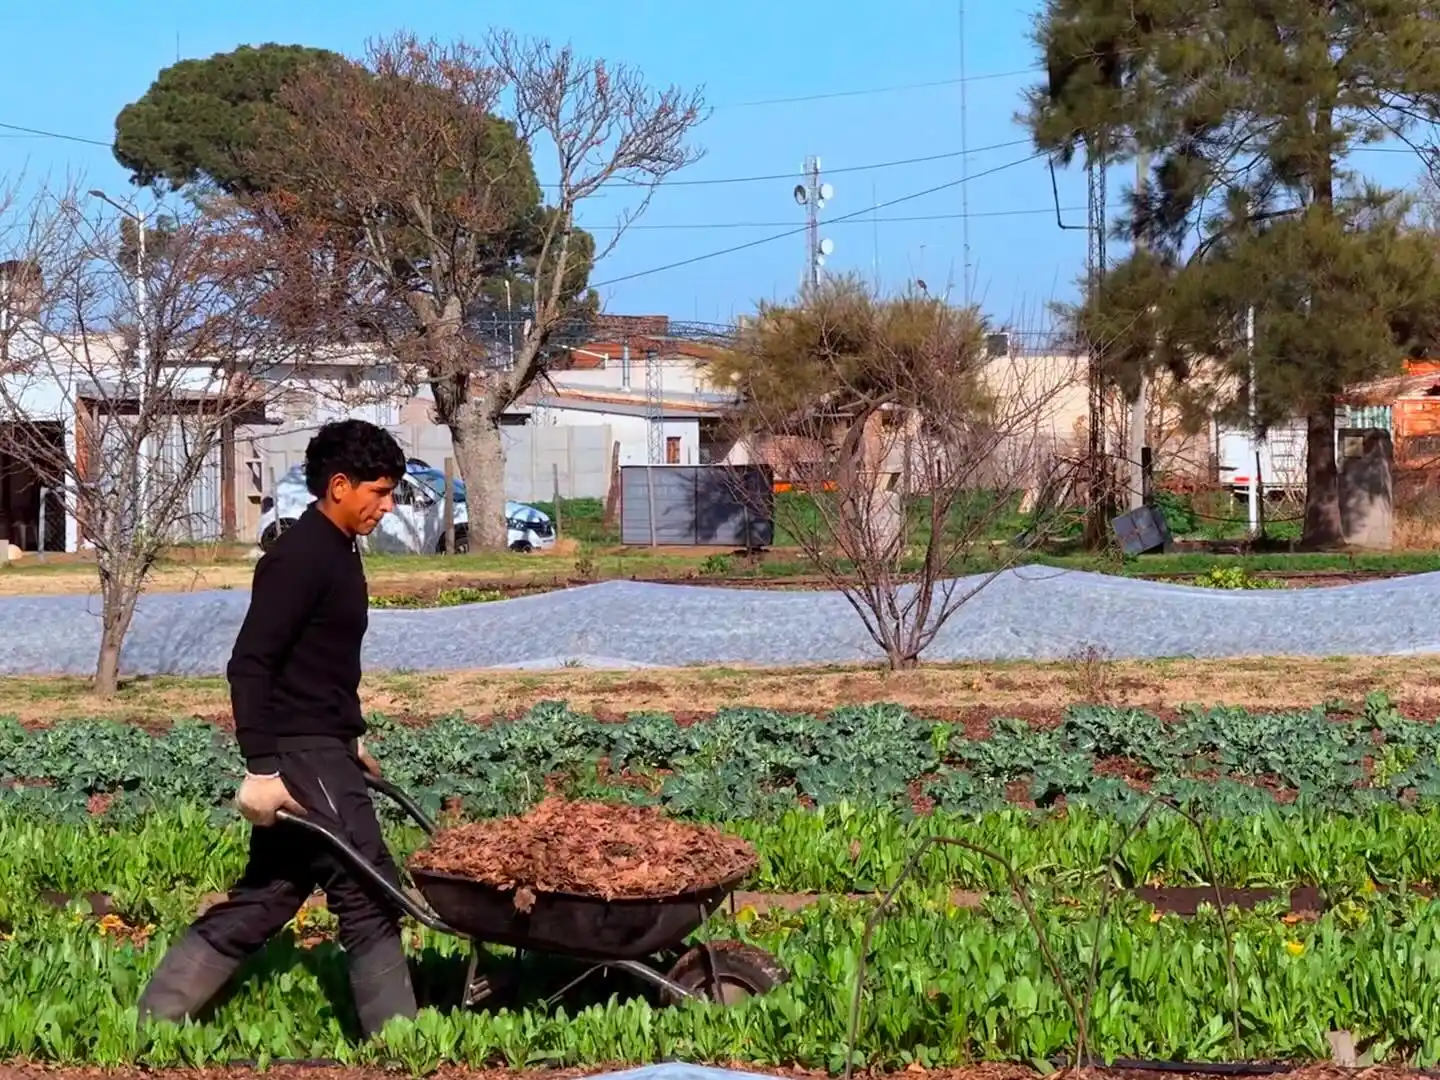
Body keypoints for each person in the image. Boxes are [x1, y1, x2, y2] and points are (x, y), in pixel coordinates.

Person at [137, 419, 418, 1039]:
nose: (388, 505)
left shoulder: (338, 549)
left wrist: (351, 737)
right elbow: (251, 663)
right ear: (339, 486)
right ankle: (402, 1044)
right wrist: (262, 767)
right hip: (300, 751)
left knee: (273, 892)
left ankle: (156, 1018)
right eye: (379, 491)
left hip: (323, 743)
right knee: (368, 891)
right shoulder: (299, 558)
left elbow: (320, 661)